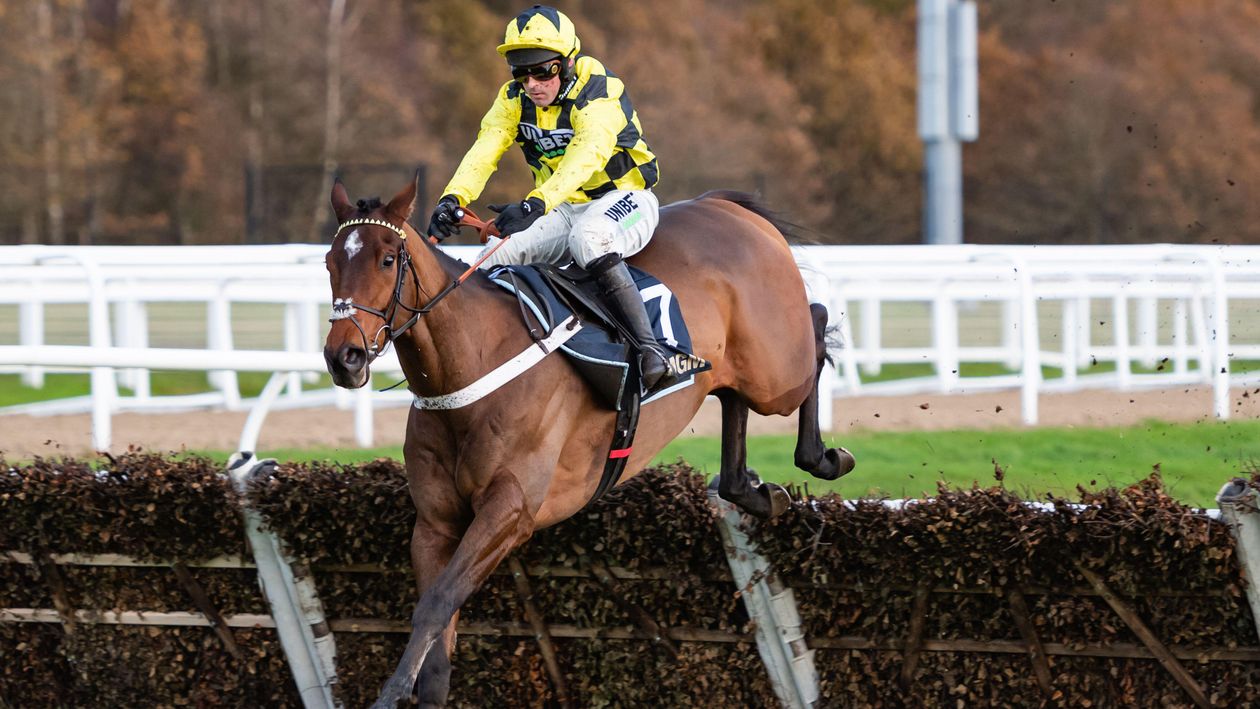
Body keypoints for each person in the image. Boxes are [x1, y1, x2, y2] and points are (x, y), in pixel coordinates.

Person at [426, 4, 674, 392]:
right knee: (494, 254)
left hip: (624, 199)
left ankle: (651, 351)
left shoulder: (601, 90)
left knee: (589, 238)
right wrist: (452, 197)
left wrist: (533, 205)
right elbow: (486, 148)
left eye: (544, 71)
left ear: (569, 62)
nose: (533, 84)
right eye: (522, 73)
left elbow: (586, 155)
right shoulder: (512, 98)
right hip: (561, 207)